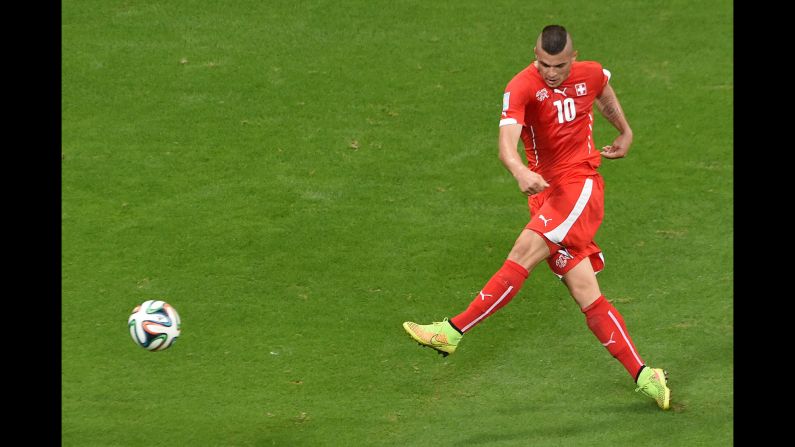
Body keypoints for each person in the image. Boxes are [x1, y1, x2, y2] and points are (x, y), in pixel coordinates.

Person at [402, 25, 671, 410]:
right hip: (547, 194)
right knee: (586, 294)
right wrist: (519, 171)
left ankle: (453, 330)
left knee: (523, 251)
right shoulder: (522, 86)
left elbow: (603, 92)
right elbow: (506, 144)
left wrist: (625, 132)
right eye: (544, 63)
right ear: (535, 54)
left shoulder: (590, 72)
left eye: (559, 65)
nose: (551, 72)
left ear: (572, 59)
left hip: (578, 188)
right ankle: (646, 375)